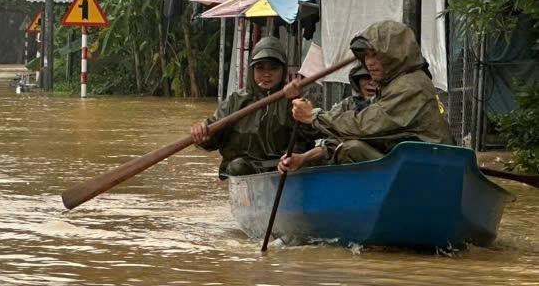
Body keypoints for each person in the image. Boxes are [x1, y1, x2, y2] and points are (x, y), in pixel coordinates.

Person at [286, 20, 452, 166]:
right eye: (366, 56)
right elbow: (355, 134)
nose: (369, 63)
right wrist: (303, 158)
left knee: (351, 149)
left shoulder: (411, 85)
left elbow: (363, 126)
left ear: (394, 55)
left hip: (430, 167)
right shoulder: (390, 87)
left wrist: (315, 116)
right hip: (414, 163)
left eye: (375, 56)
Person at [190, 36, 308, 177]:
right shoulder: (235, 101)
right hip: (246, 169)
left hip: (284, 169)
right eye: (260, 68)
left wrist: (296, 100)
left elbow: (312, 133)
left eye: (273, 68)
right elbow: (212, 137)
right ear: (252, 71)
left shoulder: (294, 100)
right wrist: (202, 135)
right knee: (237, 166)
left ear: (282, 70)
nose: (266, 74)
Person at [278, 62, 377, 173]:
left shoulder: (387, 104)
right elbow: (331, 141)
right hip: (354, 170)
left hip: (386, 165)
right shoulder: (347, 105)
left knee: (351, 147)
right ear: (357, 81)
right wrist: (303, 158)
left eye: (375, 78)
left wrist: (312, 115)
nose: (371, 82)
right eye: (366, 78)